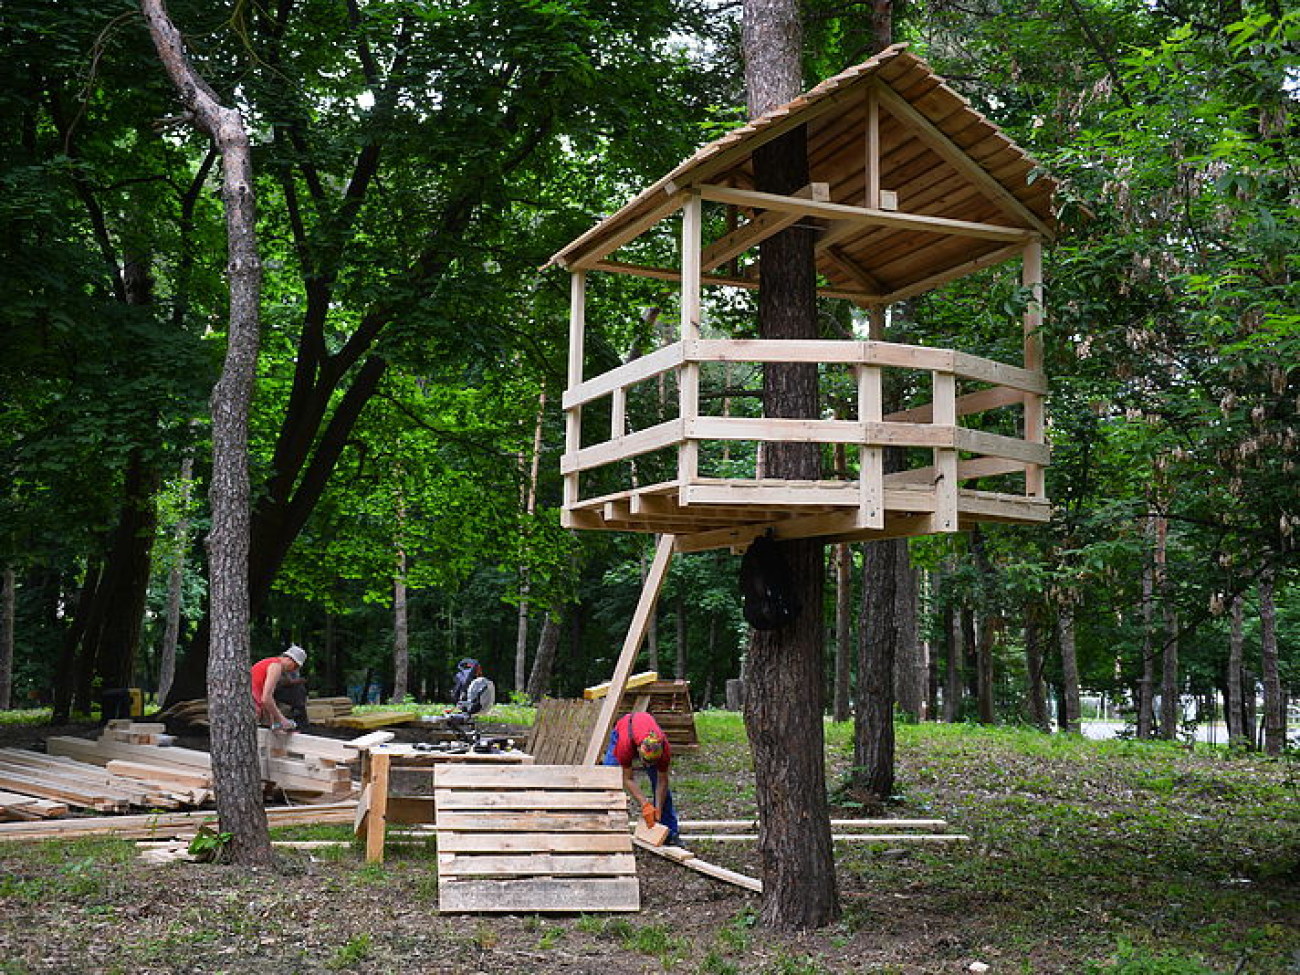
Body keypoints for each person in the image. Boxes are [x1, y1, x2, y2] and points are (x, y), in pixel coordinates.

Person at [603, 711, 681, 846]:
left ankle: (670, 833)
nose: (648, 766)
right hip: (624, 728)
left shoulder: (664, 749)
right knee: (608, 778)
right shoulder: (625, 745)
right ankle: (605, 828)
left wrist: (658, 809)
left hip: (643, 734)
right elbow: (627, 779)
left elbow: (662, 781)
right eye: (646, 762)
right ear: (639, 749)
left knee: (664, 792)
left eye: (651, 763)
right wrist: (645, 804)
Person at [250, 645, 306, 731]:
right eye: (295, 666)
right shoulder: (276, 666)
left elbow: (265, 699)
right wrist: (282, 720)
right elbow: (266, 698)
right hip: (251, 705)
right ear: (289, 659)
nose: (293, 670)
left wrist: (272, 724)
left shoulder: (270, 662)